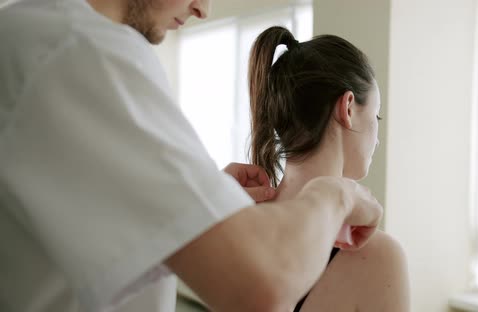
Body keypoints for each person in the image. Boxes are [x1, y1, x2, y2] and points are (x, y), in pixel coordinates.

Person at [0, 1, 384, 312]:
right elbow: (262, 287)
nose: (203, 9)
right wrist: (338, 194)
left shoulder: (33, 38)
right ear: (348, 108)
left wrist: (199, 201)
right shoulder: (78, 50)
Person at [248, 26, 410, 311]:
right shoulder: (379, 257)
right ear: (348, 108)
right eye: (376, 116)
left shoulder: (235, 229)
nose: (378, 137)